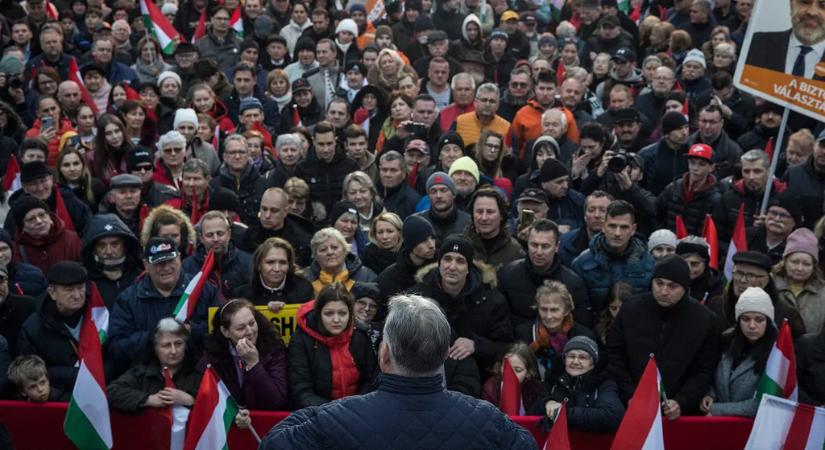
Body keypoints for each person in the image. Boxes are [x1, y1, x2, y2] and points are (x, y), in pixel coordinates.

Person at [261, 293, 536, 450]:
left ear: (384, 354)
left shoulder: (337, 418)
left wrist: (324, 412)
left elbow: (273, 443)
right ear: (444, 355)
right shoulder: (487, 419)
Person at [608, 255, 720, 418]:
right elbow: (615, 356)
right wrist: (630, 394)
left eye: (672, 286)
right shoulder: (631, 309)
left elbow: (704, 370)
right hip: (630, 403)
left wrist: (682, 401)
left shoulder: (705, 319)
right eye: (659, 283)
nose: (663, 291)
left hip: (677, 410)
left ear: (685, 287)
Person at [108, 238, 219, 367]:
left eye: (170, 261)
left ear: (179, 258)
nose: (166, 267)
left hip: (196, 371)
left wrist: (191, 330)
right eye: (158, 263)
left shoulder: (205, 290)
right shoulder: (128, 299)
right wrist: (154, 337)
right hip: (146, 375)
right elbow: (116, 346)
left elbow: (219, 331)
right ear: (146, 265)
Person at [411, 235, 514, 371]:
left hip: (474, 373)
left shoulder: (492, 301)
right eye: (447, 259)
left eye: (460, 261)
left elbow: (507, 346)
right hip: (424, 370)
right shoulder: (417, 297)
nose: (452, 267)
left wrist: (476, 345)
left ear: (468, 268)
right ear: (439, 263)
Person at [287, 283, 377, 409]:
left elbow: (371, 380)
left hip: (357, 412)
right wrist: (334, 412)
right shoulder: (301, 340)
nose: (336, 320)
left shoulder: (360, 336)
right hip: (317, 417)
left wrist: (357, 407)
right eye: (329, 314)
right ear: (319, 314)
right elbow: (300, 390)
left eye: (342, 313)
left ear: (350, 314)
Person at [498, 219, 593, 328]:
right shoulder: (507, 275)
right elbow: (500, 319)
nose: (538, 252)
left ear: (557, 247)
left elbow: (582, 326)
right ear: (527, 243)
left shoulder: (573, 283)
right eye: (534, 245)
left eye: (545, 246)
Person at [700, 287, 776, 417]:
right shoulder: (726, 341)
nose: (752, 325)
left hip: (753, 430)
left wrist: (717, 409)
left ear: (768, 322)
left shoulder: (777, 353)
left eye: (759, 320)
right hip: (720, 426)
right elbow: (712, 374)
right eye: (745, 319)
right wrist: (710, 394)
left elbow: (765, 402)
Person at [17, 262, 91, 394]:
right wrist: (75, 375)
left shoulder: (98, 316)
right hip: (57, 395)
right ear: (52, 293)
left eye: (80, 288)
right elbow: (30, 371)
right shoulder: (34, 327)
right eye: (68, 290)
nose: (77, 295)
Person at [203, 299, 288, 410]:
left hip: (265, 418)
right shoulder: (213, 354)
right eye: (241, 328)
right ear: (225, 332)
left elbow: (276, 401)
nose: (250, 331)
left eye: (252, 323)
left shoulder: (273, 347)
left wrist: (253, 364)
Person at [572, 200, 656, 311]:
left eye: (624, 227)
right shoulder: (581, 263)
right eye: (612, 226)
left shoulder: (650, 264)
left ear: (633, 229)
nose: (617, 233)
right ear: (603, 226)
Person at [108, 318, 202, 414]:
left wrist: (191, 400)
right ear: (155, 349)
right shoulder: (141, 373)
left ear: (186, 346)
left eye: (178, 344)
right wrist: (148, 399)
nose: (173, 351)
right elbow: (112, 392)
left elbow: (214, 406)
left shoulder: (199, 373)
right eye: (166, 345)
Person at [514, 280, 597, 386]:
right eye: (544, 309)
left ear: (566, 310)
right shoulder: (523, 334)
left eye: (554, 310)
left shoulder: (584, 336)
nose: (548, 316)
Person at [543, 336, 625, 432]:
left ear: (593, 363)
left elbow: (613, 416)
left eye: (583, 357)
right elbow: (534, 408)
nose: (575, 362)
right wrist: (547, 402)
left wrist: (563, 413)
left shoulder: (604, 384)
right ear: (564, 359)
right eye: (571, 356)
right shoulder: (554, 381)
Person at [744, 0, 825, 77]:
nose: (812, 12)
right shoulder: (755, 43)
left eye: (823, 5)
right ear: (791, 4)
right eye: (804, 1)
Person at [183, 211, 251, 299]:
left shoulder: (248, 263)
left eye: (220, 234)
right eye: (209, 235)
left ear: (229, 234)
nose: (215, 239)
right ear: (201, 238)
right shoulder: (188, 266)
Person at [239, 187, 315, 267]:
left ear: (285, 212)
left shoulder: (301, 240)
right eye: (264, 209)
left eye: (274, 211)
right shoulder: (250, 234)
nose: (267, 215)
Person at [232, 237, 314, 309]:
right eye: (270, 262)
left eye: (282, 262)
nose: (277, 269)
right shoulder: (241, 295)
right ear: (259, 265)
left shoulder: (304, 289)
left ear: (289, 265)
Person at [80, 214, 142, 308]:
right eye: (102, 245)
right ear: (93, 248)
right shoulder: (83, 281)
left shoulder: (140, 278)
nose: (109, 251)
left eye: (115, 244)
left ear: (125, 245)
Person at [10, 196, 82, 274]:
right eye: (31, 219)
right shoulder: (17, 250)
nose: (39, 221)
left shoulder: (72, 239)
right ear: (22, 227)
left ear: (50, 217)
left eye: (42, 215)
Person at [773, 228, 825, 334]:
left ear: (814, 266)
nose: (800, 268)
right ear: (785, 261)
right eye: (795, 262)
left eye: (806, 264)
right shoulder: (769, 284)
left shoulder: (823, 291)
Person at [377, 215, 437, 299]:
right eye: (424, 240)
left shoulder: (442, 269)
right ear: (411, 244)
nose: (431, 245)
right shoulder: (389, 278)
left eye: (433, 238)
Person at [303, 227, 378, 294]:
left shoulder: (367, 277)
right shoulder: (303, 278)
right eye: (323, 250)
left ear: (345, 250)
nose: (330, 252)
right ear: (315, 256)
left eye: (334, 247)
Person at [482, 342, 547, 415]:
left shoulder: (537, 389)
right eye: (507, 368)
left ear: (528, 373)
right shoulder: (490, 388)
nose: (511, 374)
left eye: (518, 370)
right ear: (500, 366)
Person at [466, 188, 525, 267]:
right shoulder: (462, 245)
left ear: (501, 215)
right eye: (479, 212)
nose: (484, 218)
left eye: (490, 212)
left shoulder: (515, 251)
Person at [412, 171, 471, 243]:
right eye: (433, 191)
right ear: (428, 196)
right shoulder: (418, 222)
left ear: (453, 194)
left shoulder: (468, 222)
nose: (438, 196)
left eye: (443, 190)